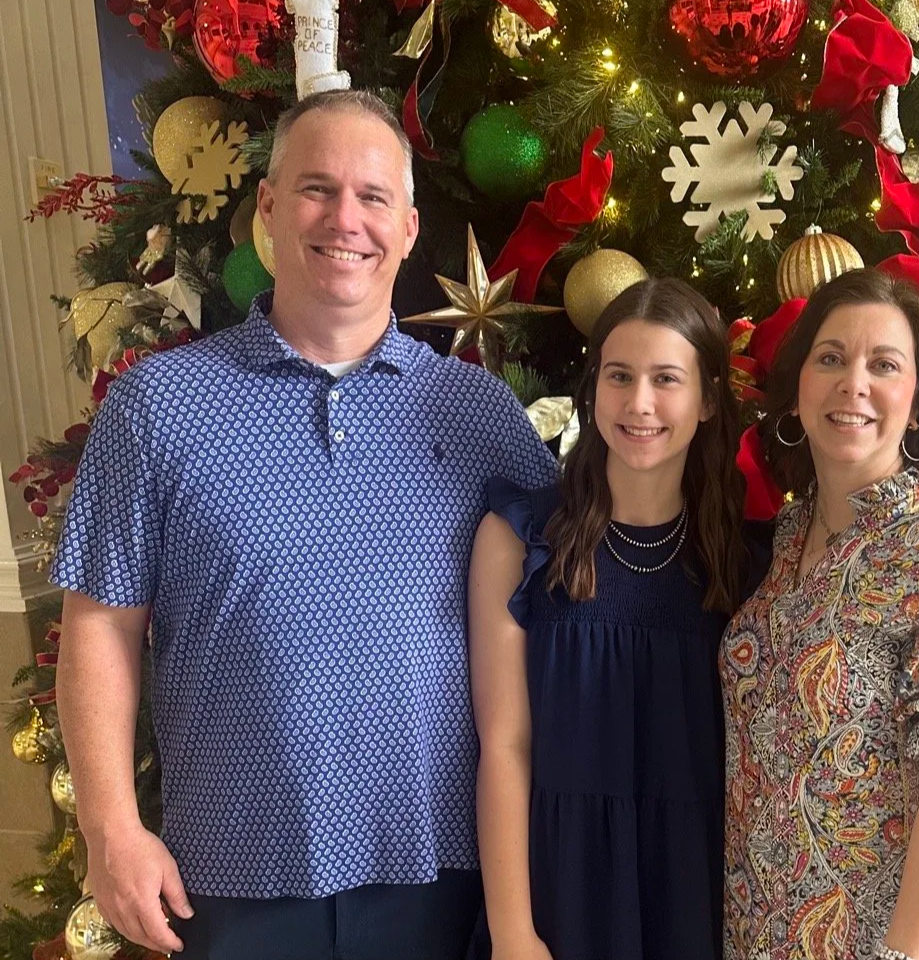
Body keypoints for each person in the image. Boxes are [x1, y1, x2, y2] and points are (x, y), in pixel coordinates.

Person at [52, 90, 556, 960]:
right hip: (232, 875)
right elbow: (100, 623)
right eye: (317, 189)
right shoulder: (158, 407)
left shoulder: (478, 413)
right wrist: (111, 830)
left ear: (406, 227)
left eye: (373, 197)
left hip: (442, 868)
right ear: (271, 212)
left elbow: (564, 605)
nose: (345, 219)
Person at [721, 268, 919, 960]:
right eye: (831, 358)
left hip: (900, 939)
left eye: (884, 365)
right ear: (799, 385)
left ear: (917, 402)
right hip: (767, 924)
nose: (854, 384)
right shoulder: (788, 538)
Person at [469, 278, 753, 960]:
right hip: (558, 887)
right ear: (593, 388)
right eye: (619, 376)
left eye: (667, 379)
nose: (640, 404)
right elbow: (504, 747)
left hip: (697, 891)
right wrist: (514, 934)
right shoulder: (519, 539)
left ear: (708, 399)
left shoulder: (747, 565)